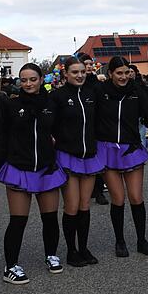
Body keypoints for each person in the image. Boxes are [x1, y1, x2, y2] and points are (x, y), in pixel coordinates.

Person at [0, 63, 68, 284]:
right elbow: (3, 134)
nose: (28, 84)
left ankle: (51, 255)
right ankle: (11, 266)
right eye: (24, 80)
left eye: (32, 79)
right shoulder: (11, 105)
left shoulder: (51, 103)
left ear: (41, 79)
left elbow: (60, 130)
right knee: (18, 221)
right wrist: (0, 160)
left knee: (50, 218)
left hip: (46, 167)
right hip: (18, 167)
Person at [95, 56, 148, 257]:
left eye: (127, 72)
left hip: (131, 148)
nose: (124, 76)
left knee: (136, 197)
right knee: (118, 198)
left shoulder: (136, 91)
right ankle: (120, 241)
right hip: (108, 149)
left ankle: (141, 240)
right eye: (119, 73)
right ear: (110, 74)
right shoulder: (100, 92)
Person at [51, 56, 105, 266]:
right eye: (75, 72)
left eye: (82, 71)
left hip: (89, 155)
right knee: (72, 206)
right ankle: (71, 251)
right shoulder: (57, 96)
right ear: (65, 74)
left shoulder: (92, 94)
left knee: (85, 205)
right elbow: (48, 124)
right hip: (68, 156)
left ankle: (83, 248)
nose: (80, 75)